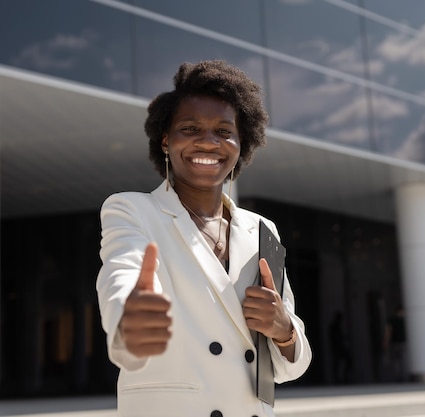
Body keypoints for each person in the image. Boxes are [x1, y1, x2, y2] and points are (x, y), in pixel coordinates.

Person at [96, 60, 312, 417]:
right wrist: (127, 318)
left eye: (224, 131)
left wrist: (284, 329)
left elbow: (290, 368)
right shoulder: (132, 210)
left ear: (242, 144)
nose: (208, 142)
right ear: (166, 140)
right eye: (190, 128)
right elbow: (122, 274)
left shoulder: (262, 230)